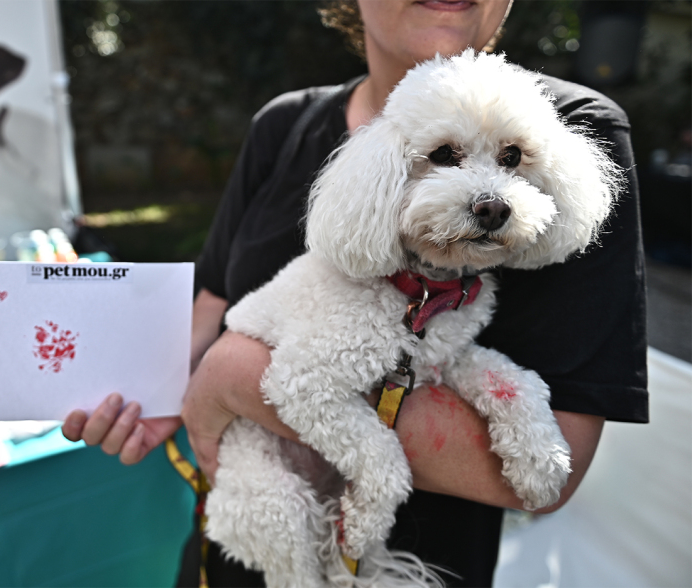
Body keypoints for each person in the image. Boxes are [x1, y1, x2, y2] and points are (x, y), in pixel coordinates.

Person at [63, 1, 648, 585]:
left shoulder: (575, 119)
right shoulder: (281, 123)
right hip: (247, 549)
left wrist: (234, 374)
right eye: (444, 157)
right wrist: (147, 393)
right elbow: (210, 307)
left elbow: (549, 477)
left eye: (512, 160)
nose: (490, 195)